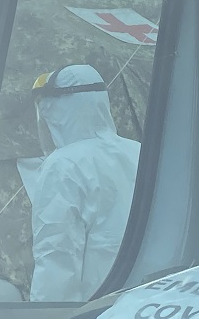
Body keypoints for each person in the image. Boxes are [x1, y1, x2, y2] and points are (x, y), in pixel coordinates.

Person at [29, 64, 140, 302]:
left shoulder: (63, 165)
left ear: (55, 110)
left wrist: (45, 317)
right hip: (147, 303)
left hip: (96, 311)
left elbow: (57, 256)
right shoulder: (139, 151)